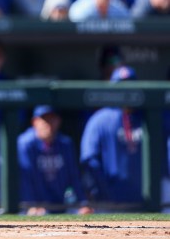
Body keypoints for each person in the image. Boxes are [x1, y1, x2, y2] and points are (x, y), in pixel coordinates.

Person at [80, 66, 144, 205]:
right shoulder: (99, 120)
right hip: (109, 204)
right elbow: (89, 160)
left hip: (144, 201)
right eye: (121, 86)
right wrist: (101, 192)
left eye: (130, 85)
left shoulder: (147, 118)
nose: (126, 91)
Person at [18, 105, 92, 215]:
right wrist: (31, 205)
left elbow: (74, 176)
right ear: (34, 122)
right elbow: (25, 178)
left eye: (52, 119)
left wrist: (82, 203)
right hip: (33, 206)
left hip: (61, 204)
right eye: (44, 120)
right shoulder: (25, 144)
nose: (49, 124)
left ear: (58, 121)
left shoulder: (65, 144)